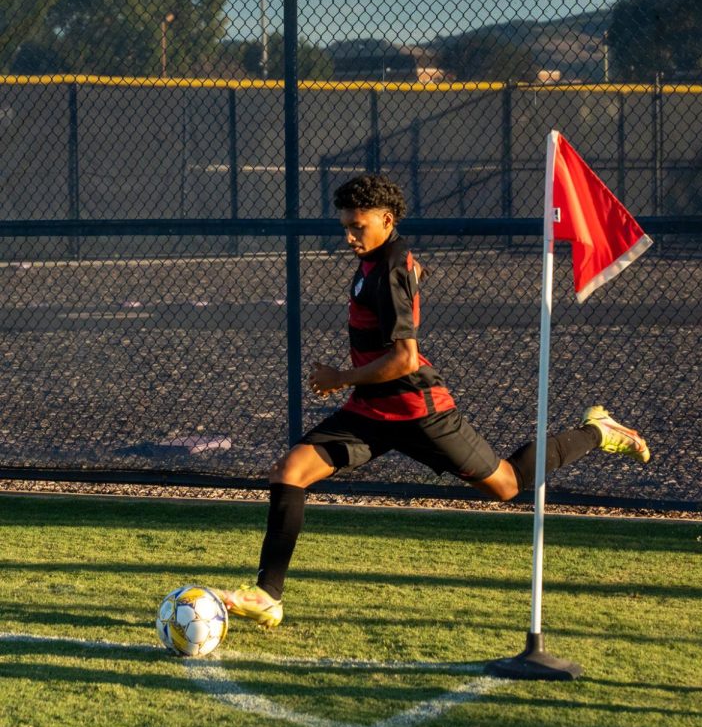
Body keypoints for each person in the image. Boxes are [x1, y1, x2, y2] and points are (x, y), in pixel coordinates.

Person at [216, 173, 650, 628]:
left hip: (416, 410)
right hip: (371, 409)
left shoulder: (391, 268)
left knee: (504, 486)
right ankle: (267, 595)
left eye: (357, 226)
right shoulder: (382, 259)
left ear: (386, 220)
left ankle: (597, 430)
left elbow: (404, 359)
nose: (348, 236)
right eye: (344, 225)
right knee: (290, 472)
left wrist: (340, 377)